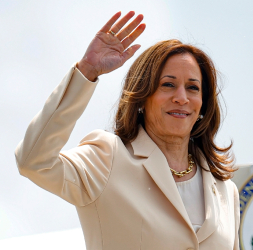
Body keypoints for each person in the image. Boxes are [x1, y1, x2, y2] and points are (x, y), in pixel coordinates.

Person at [15, 11, 240, 250]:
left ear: (203, 104)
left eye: (193, 88)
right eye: (168, 85)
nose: (181, 98)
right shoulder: (108, 158)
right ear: (142, 97)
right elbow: (33, 161)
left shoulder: (227, 190)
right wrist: (87, 71)